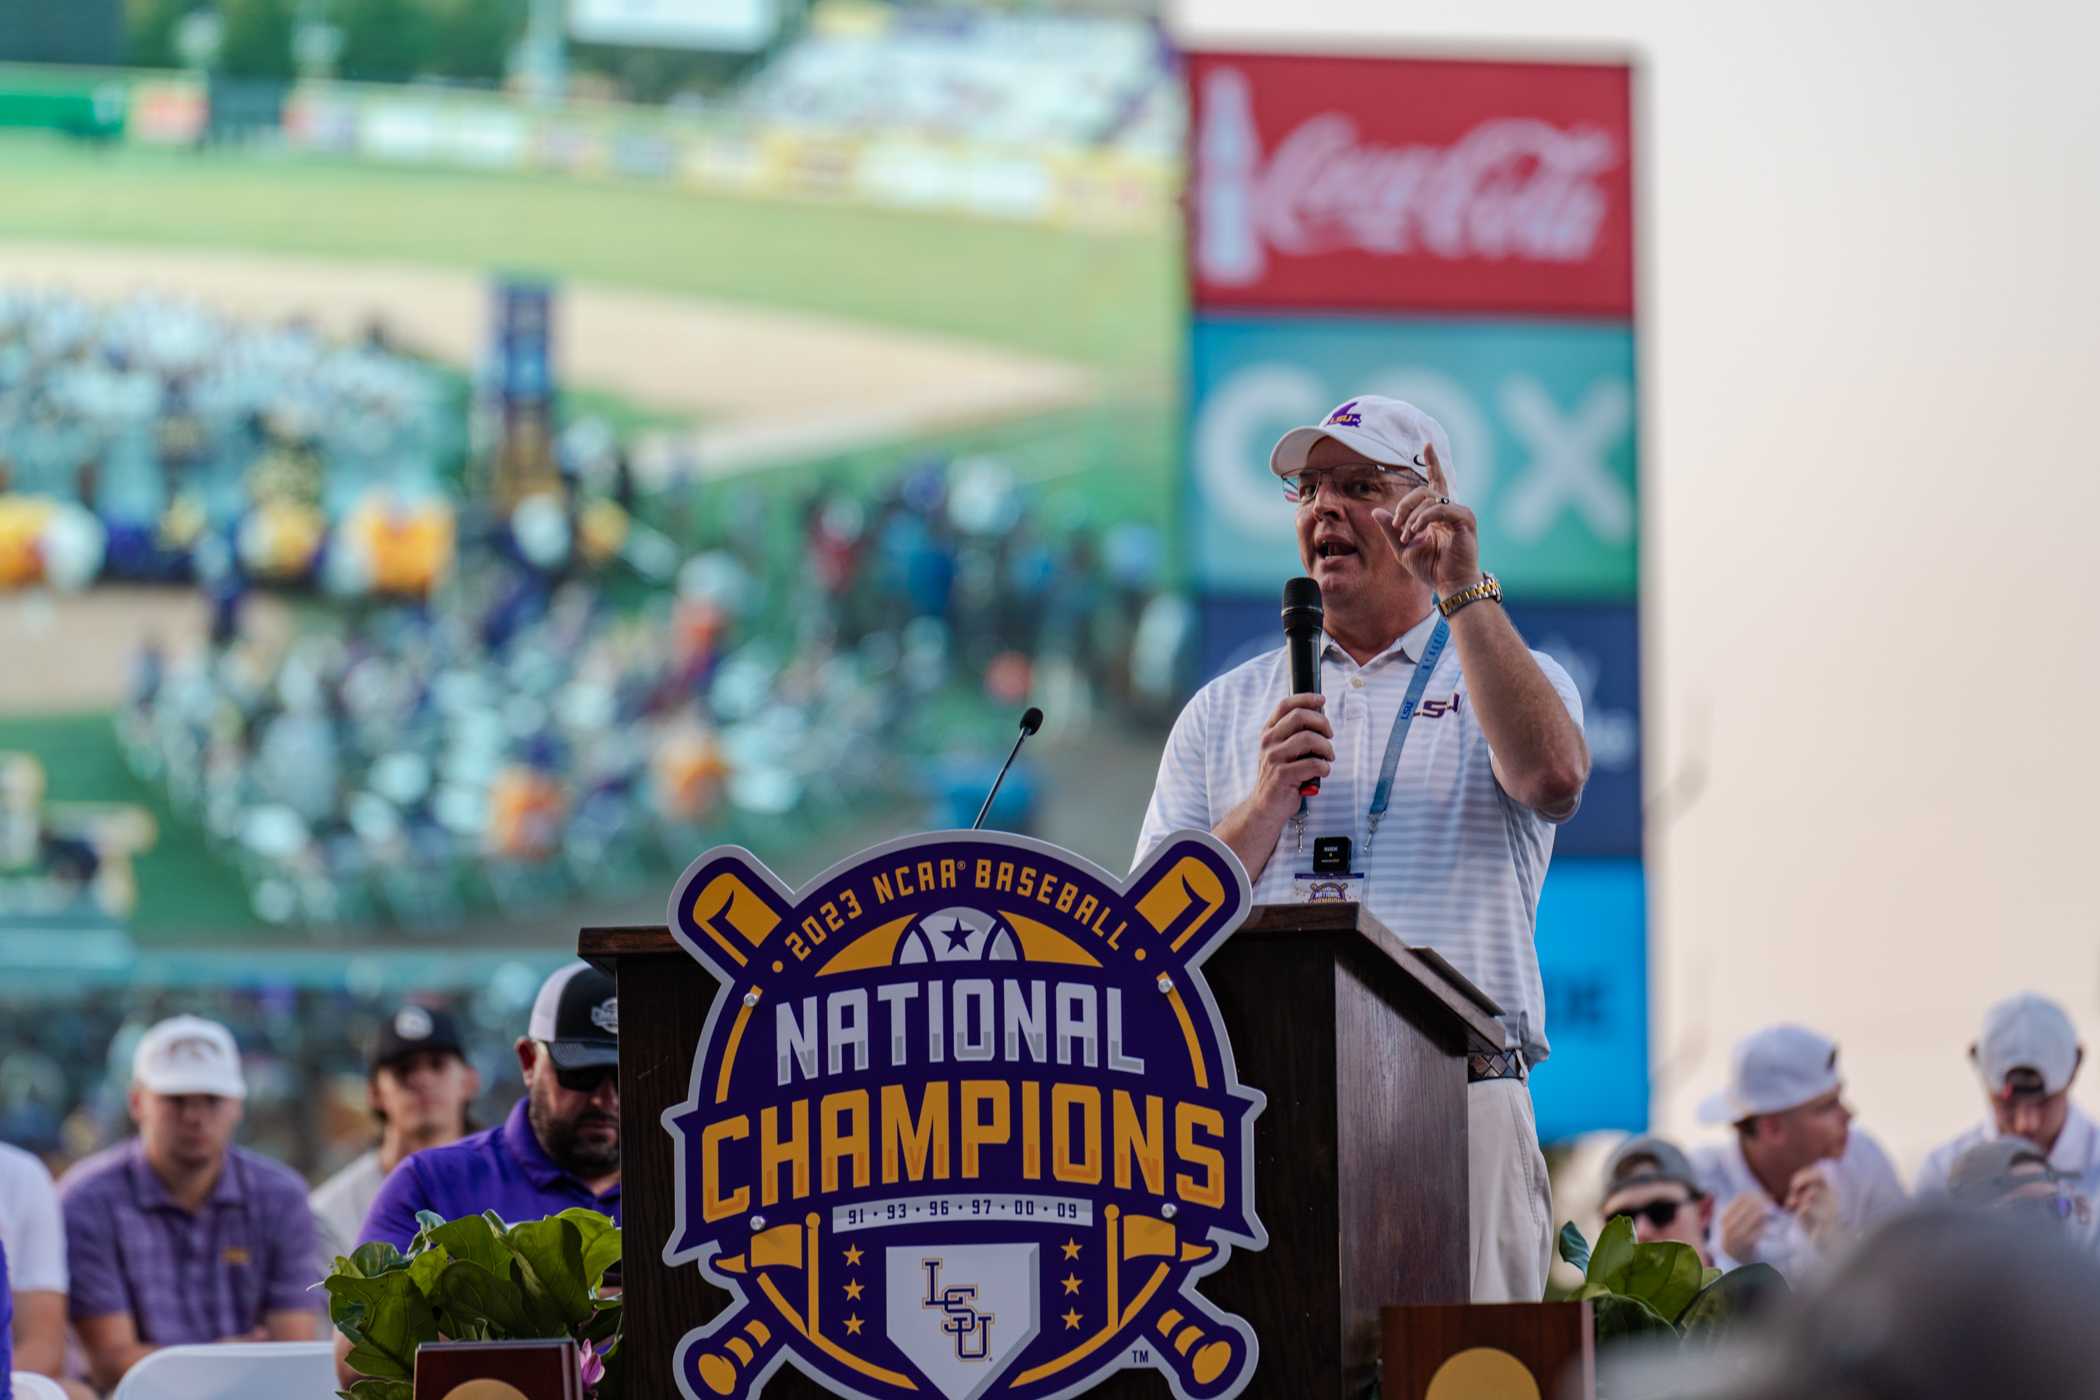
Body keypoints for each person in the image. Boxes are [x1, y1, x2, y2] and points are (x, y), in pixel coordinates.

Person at [1133, 396, 1590, 1302]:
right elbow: (1146, 937)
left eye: (1358, 486)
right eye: (1309, 490)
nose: (1323, 510)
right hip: (1261, 1114)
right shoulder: (1226, 710)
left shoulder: (1501, 675)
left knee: (1468, 1377)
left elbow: (1554, 781)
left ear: (1427, 506)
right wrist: (1263, 805)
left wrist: (1466, 589)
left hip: (1460, 1103)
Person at [341, 964, 620, 1387]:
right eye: (579, 1074)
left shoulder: (692, 1185)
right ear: (529, 1061)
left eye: (626, 1073)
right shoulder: (430, 1183)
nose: (605, 1098)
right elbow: (357, 1361)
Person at [58, 1015, 318, 1393]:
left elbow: (294, 1351)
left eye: (211, 1100)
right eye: (176, 1100)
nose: (194, 1117)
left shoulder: (282, 1196)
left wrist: (200, 1363)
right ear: (137, 1102)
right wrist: (221, 1360)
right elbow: (110, 1363)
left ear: (237, 1106)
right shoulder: (86, 1200)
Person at [1691, 1025, 1906, 1279]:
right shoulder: (1692, 1186)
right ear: (1772, 1127)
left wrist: (1836, 1245)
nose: (1849, 1114)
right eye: (1827, 1106)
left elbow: (1909, 1279)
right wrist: (1727, 1260)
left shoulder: (1863, 1159)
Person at [309, 1005, 480, 1262]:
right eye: (404, 1070)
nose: (422, 1079)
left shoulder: (507, 1183)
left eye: (437, 1065)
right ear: (374, 1093)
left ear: (469, 1081)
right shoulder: (328, 1212)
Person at [1916, 992, 2100, 1199]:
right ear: (1978, 1066)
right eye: (2007, 1104)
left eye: (2044, 1102)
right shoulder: (1942, 1177)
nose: (2025, 1123)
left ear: (2076, 1067)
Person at [1599, 1135, 1716, 1268]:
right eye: (1621, 1222)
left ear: (1704, 1211)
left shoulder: (1740, 1285)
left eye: (1661, 1212)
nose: (1642, 1231)